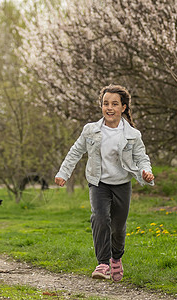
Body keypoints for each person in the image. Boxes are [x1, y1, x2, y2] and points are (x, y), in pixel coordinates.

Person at [55, 84, 155, 282]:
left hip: (122, 184)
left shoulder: (133, 135)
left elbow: (142, 158)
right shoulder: (91, 130)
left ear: (123, 107)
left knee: (118, 226)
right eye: (105, 103)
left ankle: (116, 258)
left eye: (114, 104)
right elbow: (76, 151)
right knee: (100, 218)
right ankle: (102, 263)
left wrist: (146, 172)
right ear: (101, 106)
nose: (109, 108)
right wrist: (63, 173)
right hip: (98, 183)